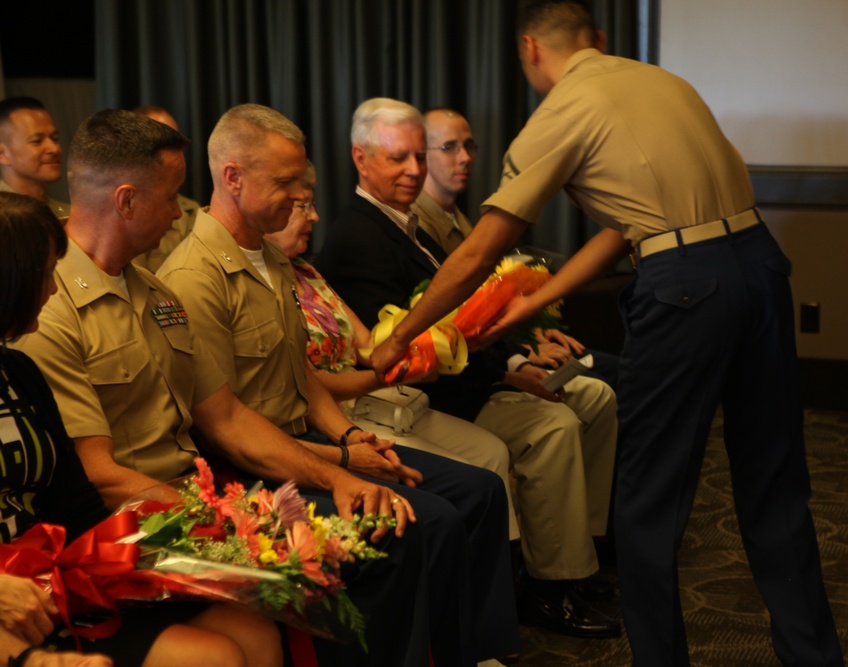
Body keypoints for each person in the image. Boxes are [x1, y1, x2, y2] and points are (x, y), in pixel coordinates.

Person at [368, 2, 846, 666]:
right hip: (760, 265)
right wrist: (546, 293)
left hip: (685, 287)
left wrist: (401, 337)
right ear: (597, 39)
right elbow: (635, 223)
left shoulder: (565, 109)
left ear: (530, 48)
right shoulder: (663, 83)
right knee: (774, 487)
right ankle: (815, 656)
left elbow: (479, 251)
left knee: (647, 504)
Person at [11, 109, 429, 667]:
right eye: (172, 198)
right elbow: (99, 477)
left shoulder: (157, 293)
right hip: (131, 526)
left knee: (367, 545)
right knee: (323, 573)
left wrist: (338, 474)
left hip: (196, 499)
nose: (183, 214)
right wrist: (228, 522)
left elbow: (226, 417)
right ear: (126, 201)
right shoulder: (50, 311)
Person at [156, 103, 518, 666]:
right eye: (285, 183)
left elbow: (298, 374)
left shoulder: (272, 258)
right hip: (260, 464)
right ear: (232, 178)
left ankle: (467, 652)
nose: (299, 197)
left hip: (311, 439)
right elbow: (226, 428)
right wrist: (337, 462)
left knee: (478, 492)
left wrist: (351, 439)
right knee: (420, 522)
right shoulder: (193, 276)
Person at [315, 97, 620, 639]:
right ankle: (553, 584)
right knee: (553, 426)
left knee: (593, 398)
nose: (415, 170)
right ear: (361, 160)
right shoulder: (357, 238)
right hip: (431, 396)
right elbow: (412, 350)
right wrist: (506, 371)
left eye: (417, 156)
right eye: (397, 159)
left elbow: (464, 318)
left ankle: (580, 559)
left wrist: (514, 354)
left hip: (460, 381)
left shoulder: (412, 227)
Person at [0, 192, 283, 667]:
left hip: (55, 579)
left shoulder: (19, 372)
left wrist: (191, 537)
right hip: (11, 591)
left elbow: (75, 503)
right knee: (211, 656)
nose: (51, 290)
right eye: (45, 274)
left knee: (252, 626)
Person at [264, 160, 521, 541]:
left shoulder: (306, 272)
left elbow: (368, 344)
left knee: (491, 452)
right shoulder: (264, 283)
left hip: (372, 401)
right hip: (332, 417)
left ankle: (505, 575)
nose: (315, 216)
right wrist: (387, 374)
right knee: (472, 477)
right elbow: (313, 383)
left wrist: (443, 340)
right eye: (302, 206)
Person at [414, 107, 618, 388]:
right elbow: (447, 318)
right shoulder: (418, 226)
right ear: (420, 154)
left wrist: (535, 332)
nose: (465, 158)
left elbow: (486, 302)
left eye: (470, 146)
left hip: (502, 347)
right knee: (602, 384)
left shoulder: (459, 219)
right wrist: (523, 350)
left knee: (614, 370)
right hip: (473, 369)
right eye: (449, 147)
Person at [130, 105, 201, 273]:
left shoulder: (192, 211)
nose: (174, 152)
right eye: (164, 143)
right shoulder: (129, 210)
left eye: (177, 143)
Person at [0, 98, 69, 219]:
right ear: (2, 154)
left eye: (55, 138)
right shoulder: (5, 216)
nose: (54, 149)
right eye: (37, 141)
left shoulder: (67, 215)